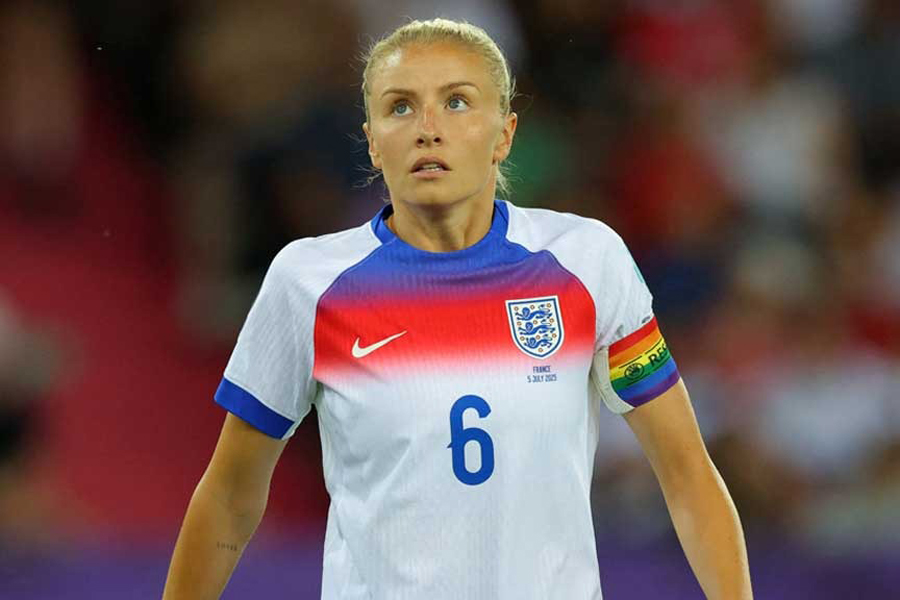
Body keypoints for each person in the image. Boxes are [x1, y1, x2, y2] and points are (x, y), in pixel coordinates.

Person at [162, 18, 752, 600]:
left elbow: (687, 477)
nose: (427, 128)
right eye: (399, 107)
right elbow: (230, 498)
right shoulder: (308, 283)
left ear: (505, 134)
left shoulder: (587, 262)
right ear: (371, 140)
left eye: (457, 102)